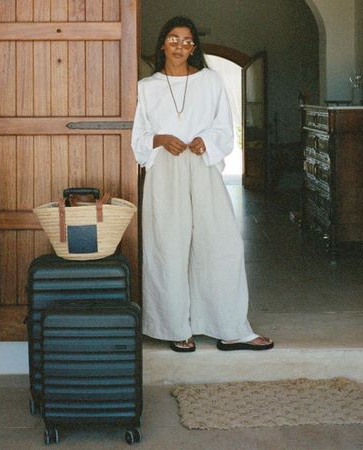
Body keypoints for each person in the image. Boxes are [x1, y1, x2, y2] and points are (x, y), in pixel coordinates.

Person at [131, 16, 273, 353]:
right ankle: (176, 327)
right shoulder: (147, 87)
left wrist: (205, 141)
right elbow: (138, 137)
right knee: (168, 247)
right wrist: (161, 139)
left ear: (194, 46)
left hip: (202, 168)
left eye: (187, 40)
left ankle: (231, 327)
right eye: (173, 38)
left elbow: (224, 127)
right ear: (162, 43)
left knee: (221, 245)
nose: (180, 46)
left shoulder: (209, 81)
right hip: (165, 173)